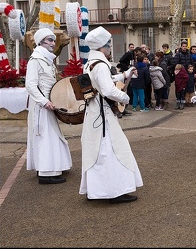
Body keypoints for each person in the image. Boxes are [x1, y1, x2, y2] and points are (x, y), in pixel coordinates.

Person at [80, 26, 143, 203]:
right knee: (113, 150)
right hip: (103, 115)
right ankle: (114, 191)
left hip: (94, 114)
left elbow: (103, 82)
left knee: (97, 151)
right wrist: (125, 97)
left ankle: (97, 190)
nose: (109, 48)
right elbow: (107, 89)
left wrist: (124, 74)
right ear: (101, 48)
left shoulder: (90, 63)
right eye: (108, 45)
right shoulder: (100, 65)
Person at [25, 28, 72, 184]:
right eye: (50, 40)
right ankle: (46, 173)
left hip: (49, 103)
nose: (53, 43)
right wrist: (44, 102)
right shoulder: (36, 60)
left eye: (53, 40)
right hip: (42, 106)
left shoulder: (46, 59)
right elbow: (30, 85)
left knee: (50, 137)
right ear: (41, 42)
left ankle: (48, 168)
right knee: (45, 137)